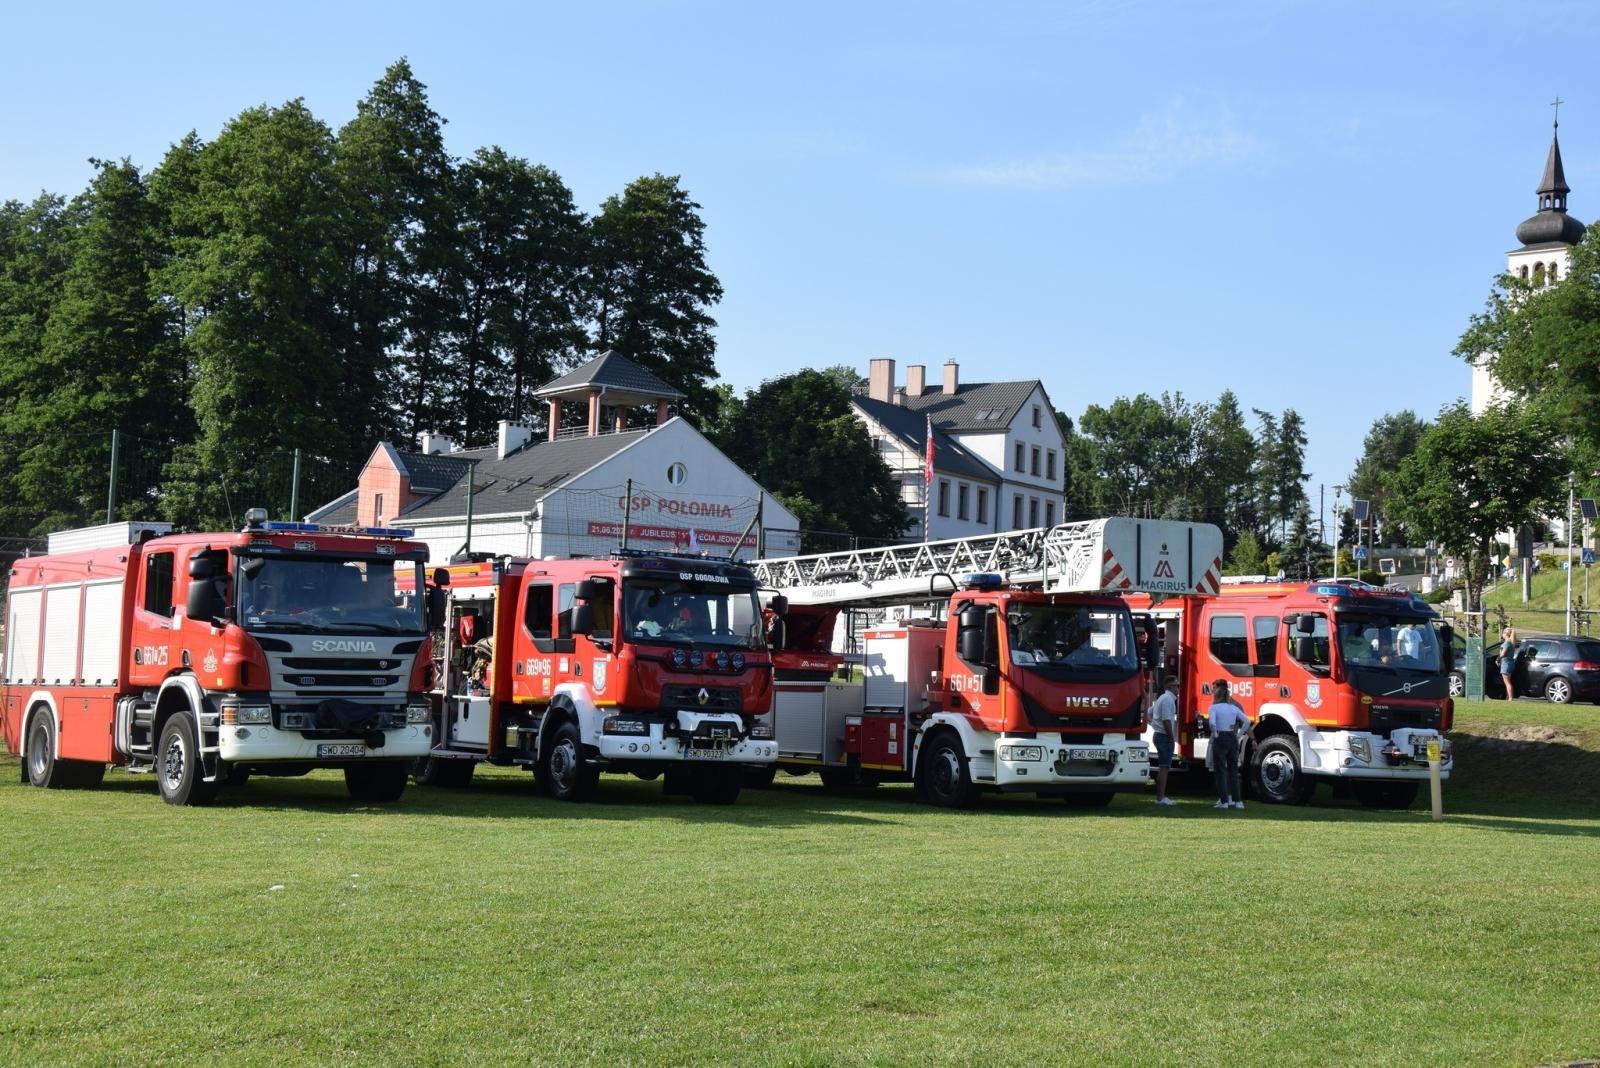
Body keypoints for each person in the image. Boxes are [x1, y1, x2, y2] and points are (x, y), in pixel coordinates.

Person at [1207, 681, 1250, 810]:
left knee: (1220, 770)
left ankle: (1224, 801)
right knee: (1233, 770)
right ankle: (1238, 801)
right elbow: (1247, 722)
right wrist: (1238, 735)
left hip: (1220, 736)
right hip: (1232, 736)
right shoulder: (1234, 708)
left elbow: (1212, 723)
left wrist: (1215, 734)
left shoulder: (1214, 708)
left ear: (1217, 695)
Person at [1149, 676, 1181, 806]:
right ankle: (1161, 797)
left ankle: (1160, 797)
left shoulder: (1162, 698)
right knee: (1164, 768)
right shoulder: (1168, 700)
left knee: (1164, 767)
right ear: (1170, 687)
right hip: (1164, 736)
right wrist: (1171, 737)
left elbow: (1148, 713)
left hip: (1159, 734)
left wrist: (1153, 724)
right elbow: (1167, 720)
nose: (1178, 688)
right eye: (1176, 685)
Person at [1498, 621, 1518, 700]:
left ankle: (1510, 697)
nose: (1502, 634)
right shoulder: (1511, 643)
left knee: (1507, 682)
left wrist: (1498, 659)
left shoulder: (1507, 643)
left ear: (1506, 634)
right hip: (1510, 663)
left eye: (1503, 633)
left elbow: (1503, 654)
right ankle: (1508, 697)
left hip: (1506, 663)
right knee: (1508, 681)